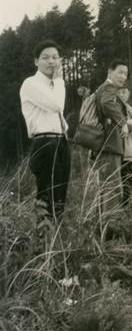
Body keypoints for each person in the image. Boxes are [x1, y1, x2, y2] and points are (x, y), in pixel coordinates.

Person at [20, 40, 71, 219]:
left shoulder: (54, 86)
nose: (51, 62)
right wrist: (59, 81)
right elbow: (56, 105)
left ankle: (55, 240)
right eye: (46, 57)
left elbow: (59, 114)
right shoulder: (31, 83)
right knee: (46, 195)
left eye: (55, 57)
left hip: (60, 141)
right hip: (45, 143)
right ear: (36, 61)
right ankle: (42, 240)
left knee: (60, 196)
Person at [94, 60, 132, 211]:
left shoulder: (104, 89)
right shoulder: (108, 87)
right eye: (120, 72)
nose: (123, 76)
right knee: (113, 187)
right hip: (110, 144)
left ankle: (104, 226)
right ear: (110, 72)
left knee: (107, 187)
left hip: (107, 144)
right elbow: (106, 104)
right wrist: (123, 122)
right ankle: (110, 227)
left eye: (126, 74)